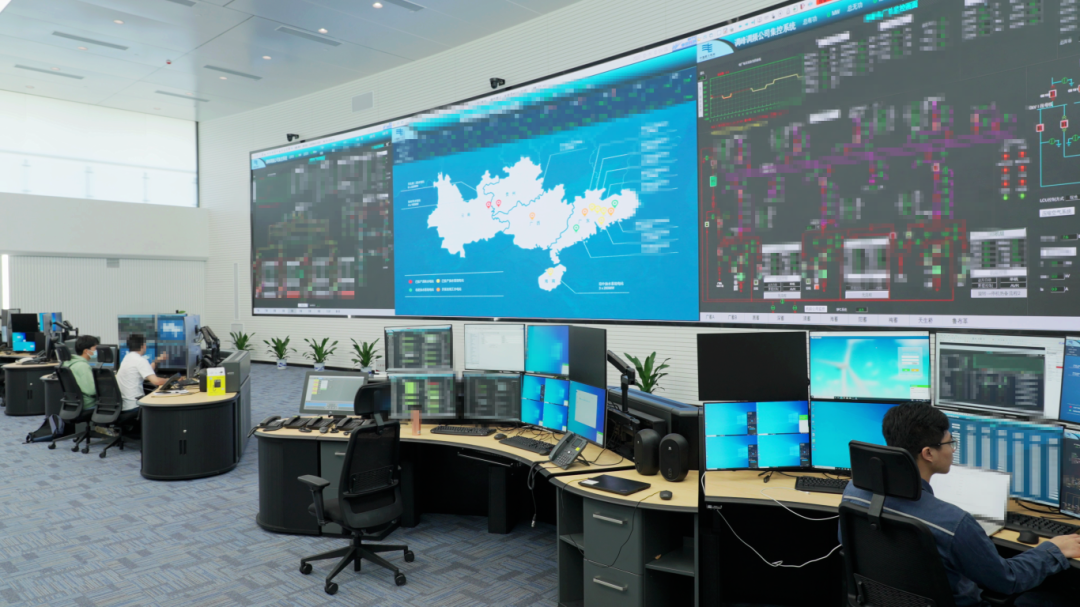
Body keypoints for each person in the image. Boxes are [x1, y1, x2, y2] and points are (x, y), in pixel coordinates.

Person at [840, 403, 1080, 606]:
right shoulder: (953, 523)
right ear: (928, 453)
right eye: (950, 443)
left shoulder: (853, 494)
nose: (953, 450)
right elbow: (1007, 581)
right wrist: (1053, 549)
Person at [117, 333, 168, 412]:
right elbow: (156, 381)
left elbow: (147, 371)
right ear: (143, 346)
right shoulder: (140, 360)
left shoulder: (127, 358)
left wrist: (156, 361)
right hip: (135, 406)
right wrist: (173, 380)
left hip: (125, 406)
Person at [63, 335, 99, 410]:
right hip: (88, 404)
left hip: (74, 404)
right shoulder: (83, 366)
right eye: (95, 348)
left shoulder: (69, 363)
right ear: (86, 351)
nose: (97, 351)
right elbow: (92, 391)